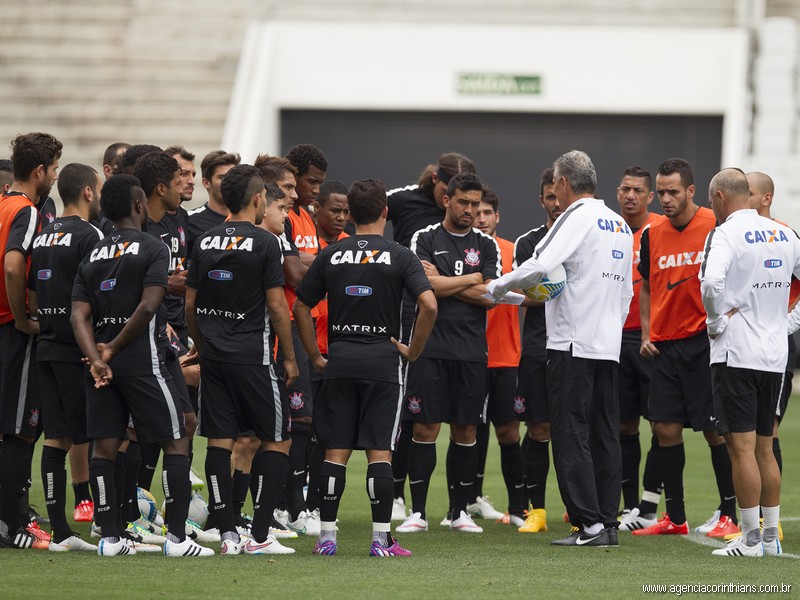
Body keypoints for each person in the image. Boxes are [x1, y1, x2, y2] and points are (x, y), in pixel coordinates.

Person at [487, 150, 633, 547]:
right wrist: (610, 332)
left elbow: (539, 264)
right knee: (604, 433)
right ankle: (608, 523)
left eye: (555, 186)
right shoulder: (619, 224)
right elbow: (626, 292)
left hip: (571, 344)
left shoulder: (576, 216)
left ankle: (588, 525)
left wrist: (496, 287)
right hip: (607, 345)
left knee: (570, 433)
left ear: (564, 183)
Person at [293, 178, 437, 556]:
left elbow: (301, 306)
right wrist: (413, 350)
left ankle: (326, 538)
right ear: (385, 212)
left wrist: (315, 356)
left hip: (339, 362)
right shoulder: (400, 255)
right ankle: (380, 540)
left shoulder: (331, 254)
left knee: (334, 453)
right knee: (380, 453)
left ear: (352, 215)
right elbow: (429, 304)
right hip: (383, 364)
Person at [70, 174, 211, 557]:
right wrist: (113, 350)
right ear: (137, 204)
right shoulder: (152, 247)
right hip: (142, 360)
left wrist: (97, 358)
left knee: (104, 447)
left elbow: (78, 315)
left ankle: (110, 539)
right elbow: (149, 305)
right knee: (177, 437)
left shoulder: (93, 254)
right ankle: (177, 539)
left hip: (102, 368)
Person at [186, 165, 298, 555]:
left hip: (214, 357)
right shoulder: (267, 242)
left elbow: (190, 304)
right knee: (278, 439)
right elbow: (277, 307)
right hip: (254, 357)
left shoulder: (204, 240)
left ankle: (228, 533)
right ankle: (261, 535)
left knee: (220, 442)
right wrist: (289, 357)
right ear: (258, 199)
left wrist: (202, 345)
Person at [633, 158, 737, 539]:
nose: (666, 199)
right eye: (661, 192)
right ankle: (675, 517)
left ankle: (730, 512)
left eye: (673, 191)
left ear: (691, 191)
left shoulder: (715, 225)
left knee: (715, 431)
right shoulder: (652, 233)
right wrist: (647, 333)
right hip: (664, 346)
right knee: (663, 428)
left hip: (703, 344)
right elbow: (647, 286)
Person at [699, 167, 800, 557]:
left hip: (737, 352)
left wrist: (714, 322)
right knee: (764, 446)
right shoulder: (784, 233)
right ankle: (771, 538)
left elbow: (711, 283)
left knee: (740, 449)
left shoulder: (725, 233)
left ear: (721, 197)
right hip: (774, 354)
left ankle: (750, 538)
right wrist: (789, 322)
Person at [396, 172, 499, 535]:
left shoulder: (487, 245)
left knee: (466, 429)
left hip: (471, 352)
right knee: (424, 428)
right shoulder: (424, 237)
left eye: (476, 204)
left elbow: (492, 296)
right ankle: (418, 513)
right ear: (447, 200)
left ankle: (459, 512)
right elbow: (422, 286)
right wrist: (471, 278)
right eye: (463, 202)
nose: (471, 210)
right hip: (430, 348)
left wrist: (444, 282)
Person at [385, 152, 477, 520]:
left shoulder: (473, 233)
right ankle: (396, 495)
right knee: (411, 415)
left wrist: (446, 280)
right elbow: (369, 212)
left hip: (457, 328)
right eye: (447, 193)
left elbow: (488, 288)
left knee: (465, 420)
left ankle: (465, 503)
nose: (452, 201)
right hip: (409, 311)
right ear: (436, 181)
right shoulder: (404, 199)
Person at [29, 162, 104, 552]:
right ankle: (110, 523)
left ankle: (60, 531)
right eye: (98, 188)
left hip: (47, 346)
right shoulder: (91, 235)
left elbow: (32, 294)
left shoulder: (44, 234)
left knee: (56, 439)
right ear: (88, 192)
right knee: (102, 435)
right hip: (79, 350)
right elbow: (98, 293)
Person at [0, 132, 62, 550]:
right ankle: (11, 524)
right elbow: (13, 265)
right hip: (12, 328)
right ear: (40, 171)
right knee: (20, 430)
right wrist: (23, 318)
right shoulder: (26, 210)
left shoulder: (2, 203)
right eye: (54, 168)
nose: (55, 176)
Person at [614, 167, 666, 532]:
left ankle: (650, 503)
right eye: (625, 189)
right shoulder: (609, 230)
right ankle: (630, 505)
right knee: (623, 424)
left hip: (653, 339)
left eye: (638, 190)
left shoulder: (660, 228)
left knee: (663, 423)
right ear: (618, 192)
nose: (630, 195)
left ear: (650, 196)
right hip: (616, 338)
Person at [512, 168, 561, 534]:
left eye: (560, 195)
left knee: (576, 429)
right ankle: (537, 511)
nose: (556, 203)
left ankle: (580, 510)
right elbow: (520, 293)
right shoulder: (528, 242)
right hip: (537, 346)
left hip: (578, 345)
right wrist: (556, 291)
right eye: (550, 197)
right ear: (541, 200)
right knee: (539, 426)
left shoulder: (587, 238)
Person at [473, 189, 525, 526]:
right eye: (476, 212)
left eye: (487, 212)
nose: (481, 218)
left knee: (508, 432)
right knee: (470, 430)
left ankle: (518, 508)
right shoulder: (460, 251)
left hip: (506, 355)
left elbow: (524, 292)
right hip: (471, 355)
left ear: (497, 216)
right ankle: (468, 502)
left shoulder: (511, 250)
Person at [186, 150, 241, 254]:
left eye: (233, 177)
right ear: (206, 183)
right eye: (222, 177)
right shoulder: (189, 220)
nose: (230, 182)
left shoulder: (249, 219)